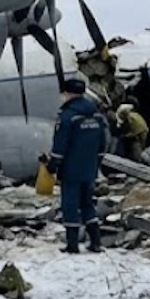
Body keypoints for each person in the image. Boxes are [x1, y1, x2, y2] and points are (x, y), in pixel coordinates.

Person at [46, 76, 109, 253]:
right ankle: (95, 241)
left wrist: (53, 164)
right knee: (87, 203)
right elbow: (103, 143)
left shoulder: (67, 116)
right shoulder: (96, 114)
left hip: (71, 169)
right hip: (89, 169)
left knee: (70, 205)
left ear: (68, 93)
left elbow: (60, 144)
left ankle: (72, 244)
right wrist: (97, 162)